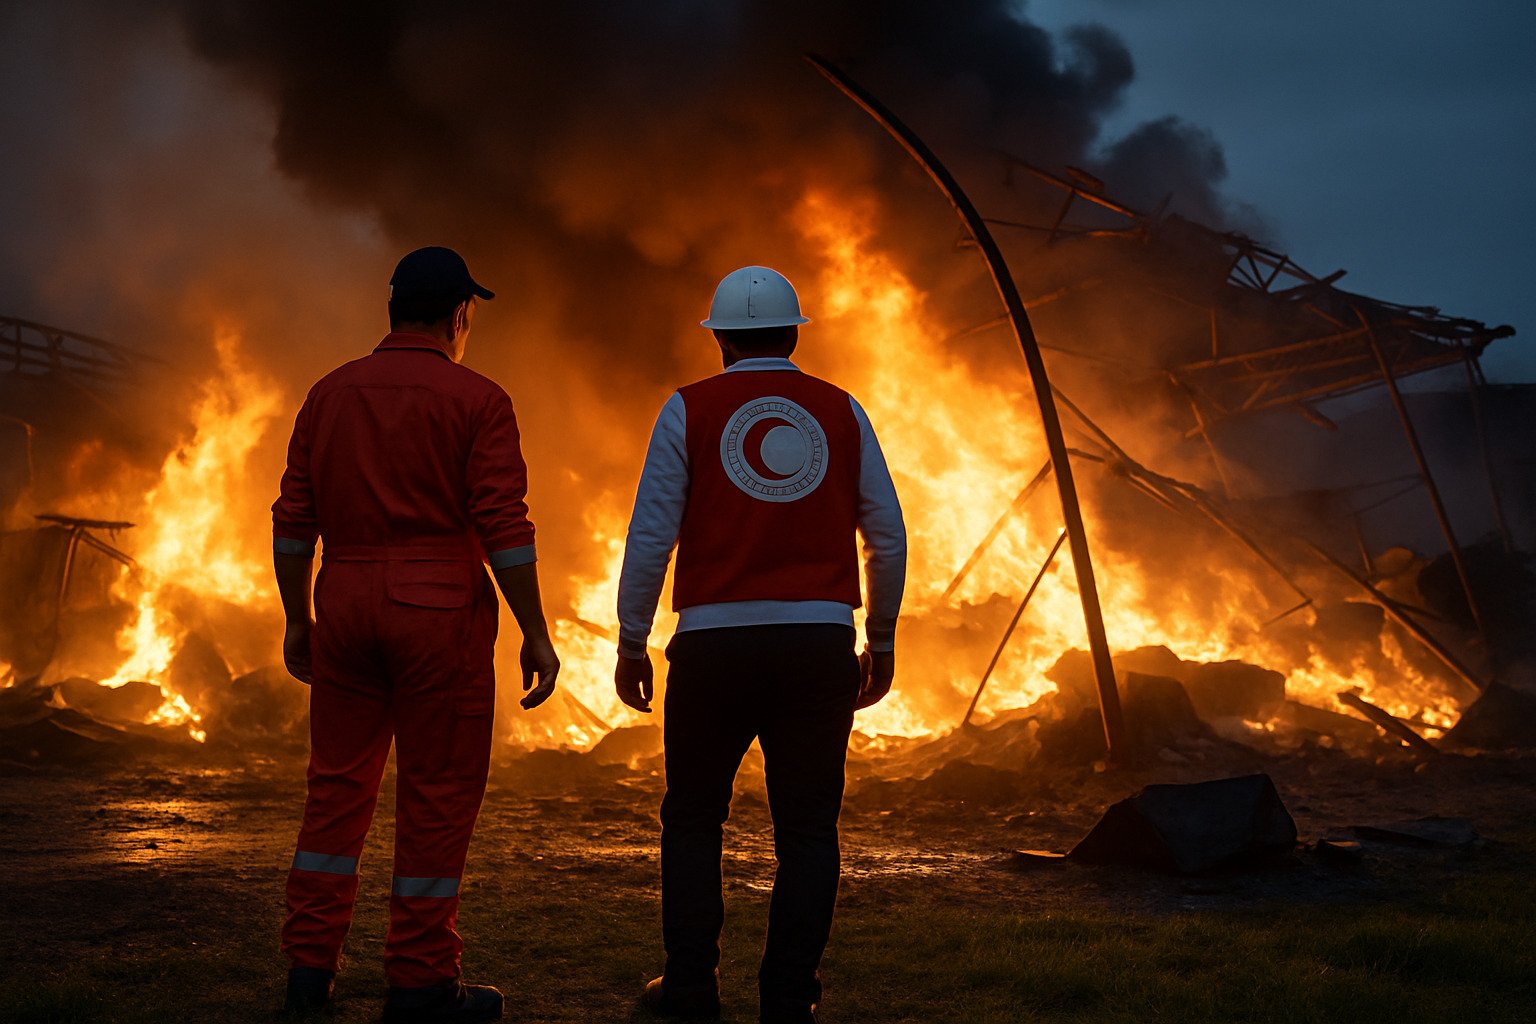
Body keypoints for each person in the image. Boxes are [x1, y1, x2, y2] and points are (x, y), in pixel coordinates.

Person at [272, 246, 560, 1023]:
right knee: (435, 796)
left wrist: (300, 617)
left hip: (347, 601)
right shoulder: (479, 399)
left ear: (393, 310)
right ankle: (420, 981)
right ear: (460, 314)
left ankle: (309, 970)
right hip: (438, 614)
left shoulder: (328, 395)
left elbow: (294, 522)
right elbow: (504, 524)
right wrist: (535, 630)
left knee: (335, 789)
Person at [614, 266, 906, 1024]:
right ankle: (788, 997)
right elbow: (888, 537)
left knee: (692, 818)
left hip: (713, 649)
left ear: (721, 341)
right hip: (816, 648)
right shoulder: (840, 411)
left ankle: (688, 989)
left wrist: (632, 638)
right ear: (793, 334)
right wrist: (880, 637)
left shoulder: (688, 410)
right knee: (808, 829)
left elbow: (652, 535)